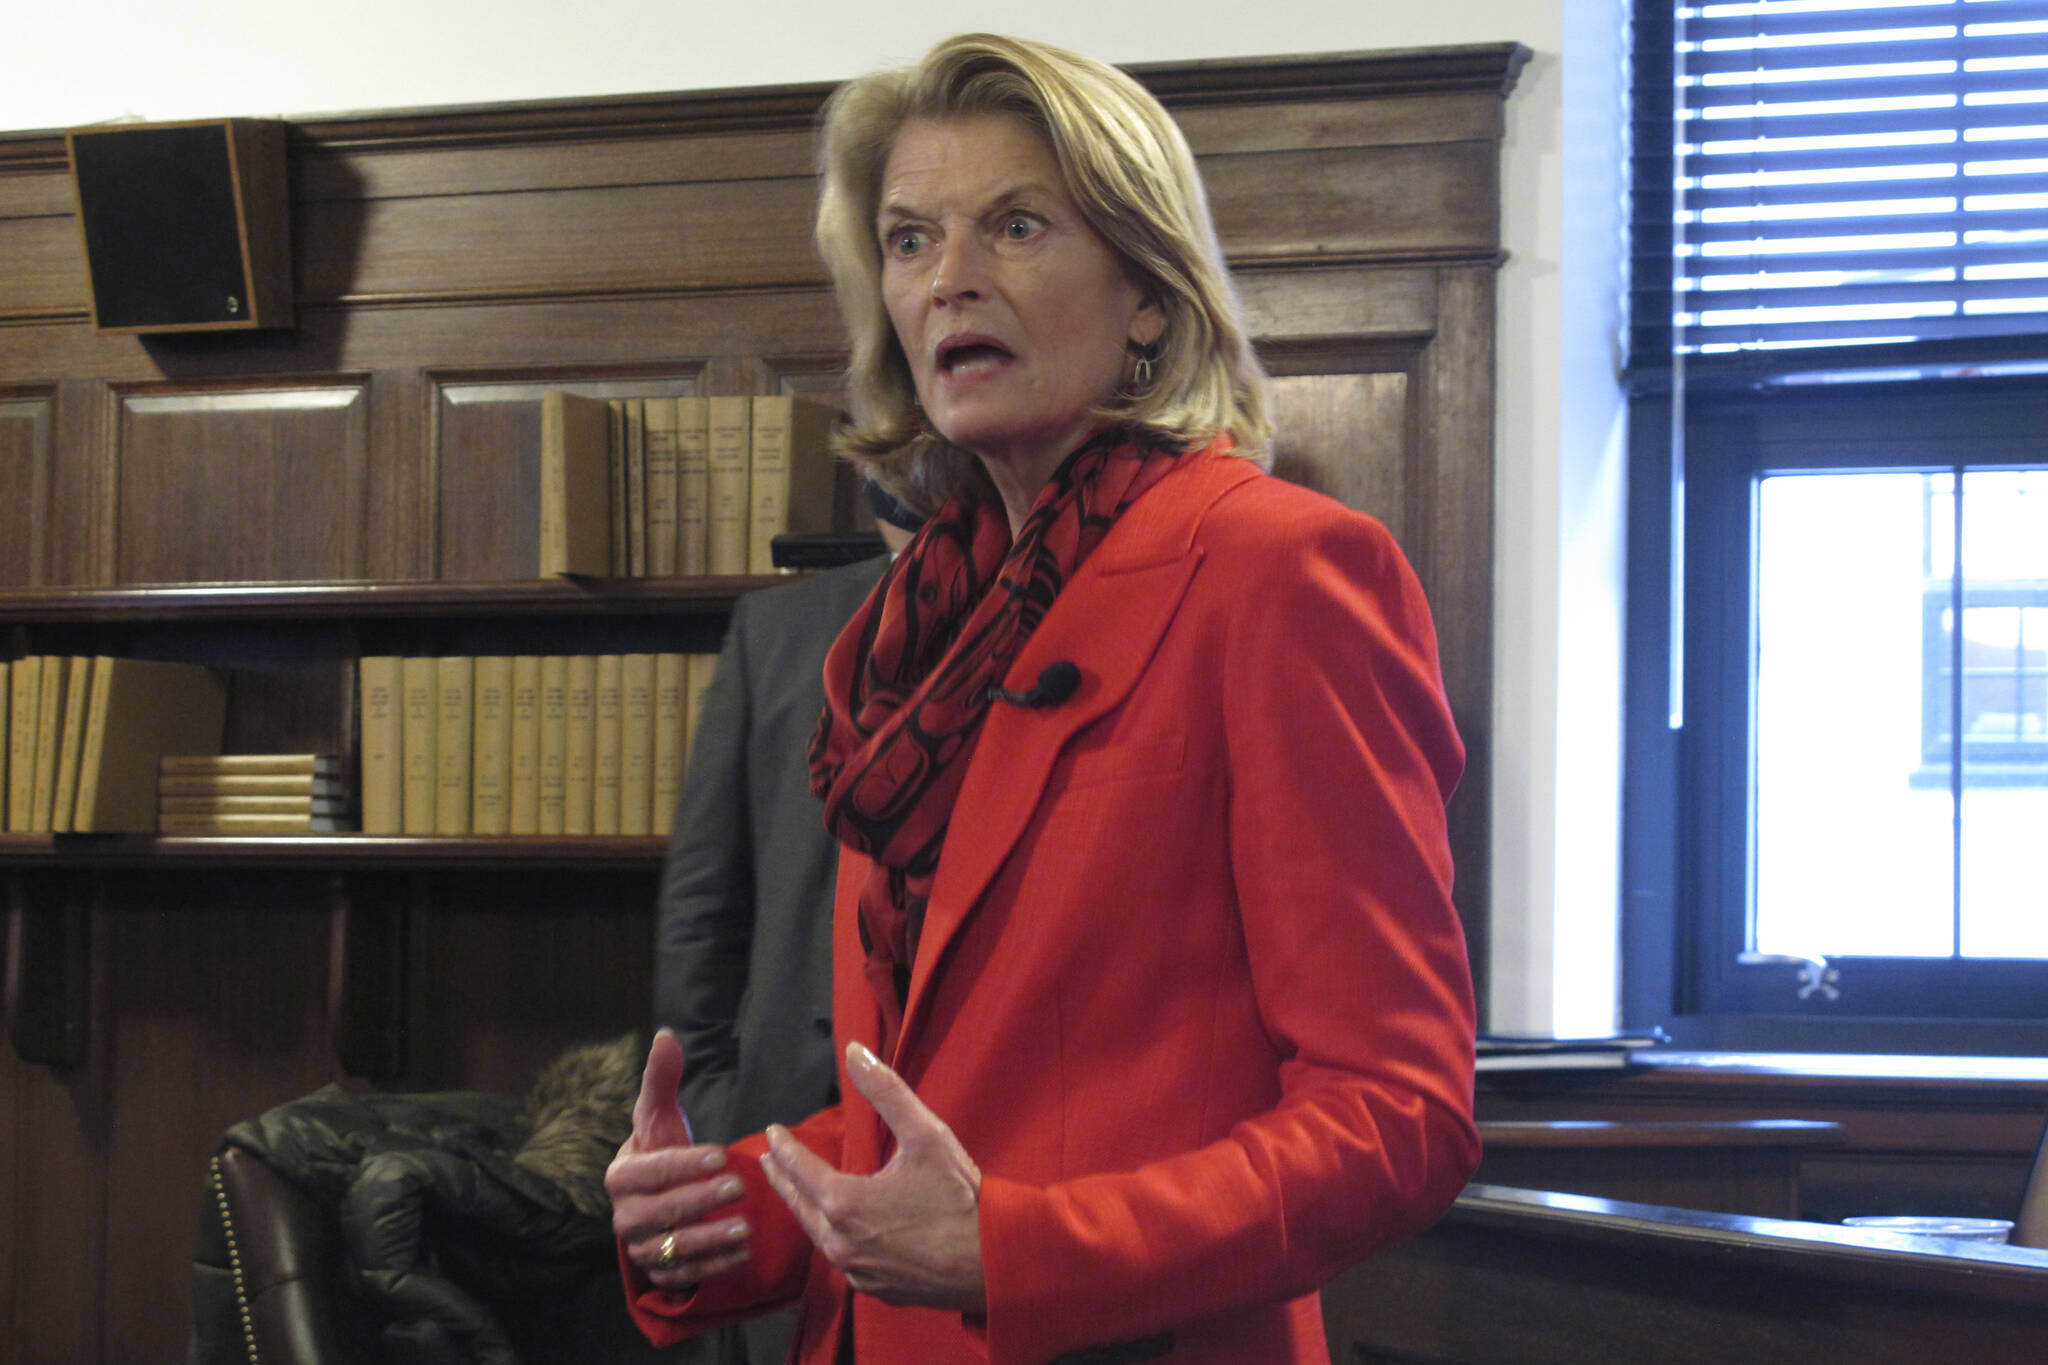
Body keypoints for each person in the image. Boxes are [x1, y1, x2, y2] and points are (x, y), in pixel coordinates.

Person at [607, 32, 1480, 1365]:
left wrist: (1018, 1252)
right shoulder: (913, 637)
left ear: (1146, 291)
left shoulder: (1280, 572)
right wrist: (712, 1216)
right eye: (910, 241)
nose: (950, 278)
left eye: (1015, 227)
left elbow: (1397, 1117)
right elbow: (930, 1119)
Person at [655, 488, 920, 1365]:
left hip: (971, 1151)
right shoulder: (775, 632)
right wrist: (723, 1117)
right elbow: (703, 906)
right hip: (777, 1130)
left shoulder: (1051, 612)